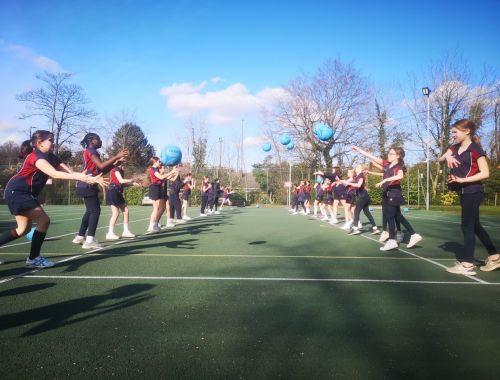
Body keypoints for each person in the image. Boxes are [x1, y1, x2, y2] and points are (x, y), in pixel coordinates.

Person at [0, 130, 106, 268]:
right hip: (18, 192)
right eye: (50, 140)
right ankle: (33, 259)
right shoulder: (36, 157)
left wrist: (89, 178)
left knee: (22, 230)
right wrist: (81, 177)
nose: (53, 143)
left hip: (22, 193)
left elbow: (71, 172)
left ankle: (33, 258)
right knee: (44, 220)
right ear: (39, 143)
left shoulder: (51, 156)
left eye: (53, 140)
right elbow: (54, 174)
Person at [438, 119, 499, 275]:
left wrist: (462, 180)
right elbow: (440, 160)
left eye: (455, 132)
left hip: (473, 191)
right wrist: (448, 157)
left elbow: (485, 173)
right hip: (464, 192)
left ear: (467, 132)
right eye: (452, 132)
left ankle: (467, 264)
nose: (453, 135)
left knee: (467, 226)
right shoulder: (454, 148)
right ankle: (494, 256)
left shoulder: (475, 150)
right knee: (475, 225)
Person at [352, 145, 422, 251]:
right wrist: (358, 149)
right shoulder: (387, 164)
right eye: (388, 153)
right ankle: (413, 235)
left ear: (398, 156)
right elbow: (371, 156)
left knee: (390, 216)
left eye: (391, 154)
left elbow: (400, 176)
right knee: (398, 216)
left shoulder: (398, 166)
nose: (388, 155)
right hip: (386, 193)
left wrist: (385, 180)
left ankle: (392, 240)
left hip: (393, 194)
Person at [73, 133, 128, 249]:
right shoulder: (91, 150)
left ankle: (80, 236)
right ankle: (90, 240)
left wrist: (115, 164)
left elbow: (100, 169)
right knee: (95, 211)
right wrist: (116, 157)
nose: (101, 141)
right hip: (87, 184)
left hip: (86, 184)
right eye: (98, 139)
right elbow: (101, 166)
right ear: (91, 140)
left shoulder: (91, 151)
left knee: (89, 211)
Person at [105, 158, 141, 240]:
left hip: (117, 191)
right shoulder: (115, 169)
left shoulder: (121, 170)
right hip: (113, 191)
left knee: (126, 211)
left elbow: (122, 184)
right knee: (116, 213)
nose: (124, 160)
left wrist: (133, 184)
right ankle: (110, 233)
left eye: (125, 159)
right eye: (122, 159)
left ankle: (126, 231)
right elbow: (121, 181)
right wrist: (133, 180)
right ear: (118, 161)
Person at [146, 158, 178, 233]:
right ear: (155, 162)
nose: (160, 162)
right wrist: (171, 172)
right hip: (155, 188)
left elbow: (163, 179)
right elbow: (161, 177)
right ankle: (154, 224)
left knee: (159, 208)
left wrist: (173, 173)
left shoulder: (155, 169)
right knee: (160, 208)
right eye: (159, 161)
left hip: (157, 188)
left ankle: (153, 225)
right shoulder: (153, 169)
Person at [347, 164, 379, 235]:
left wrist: (350, 183)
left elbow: (358, 185)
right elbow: (348, 181)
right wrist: (340, 180)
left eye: (358, 166)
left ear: (361, 169)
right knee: (367, 212)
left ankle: (355, 228)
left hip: (363, 197)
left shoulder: (361, 176)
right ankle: (375, 228)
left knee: (356, 211)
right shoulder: (357, 176)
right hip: (364, 196)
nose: (356, 167)